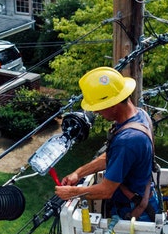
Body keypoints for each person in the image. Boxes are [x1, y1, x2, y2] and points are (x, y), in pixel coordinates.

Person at [55, 67, 159, 221]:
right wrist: (79, 173)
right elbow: (112, 158)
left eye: (98, 108)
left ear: (113, 105)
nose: (97, 113)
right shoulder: (139, 115)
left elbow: (106, 191)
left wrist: (71, 193)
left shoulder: (128, 140)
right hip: (140, 199)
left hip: (134, 212)